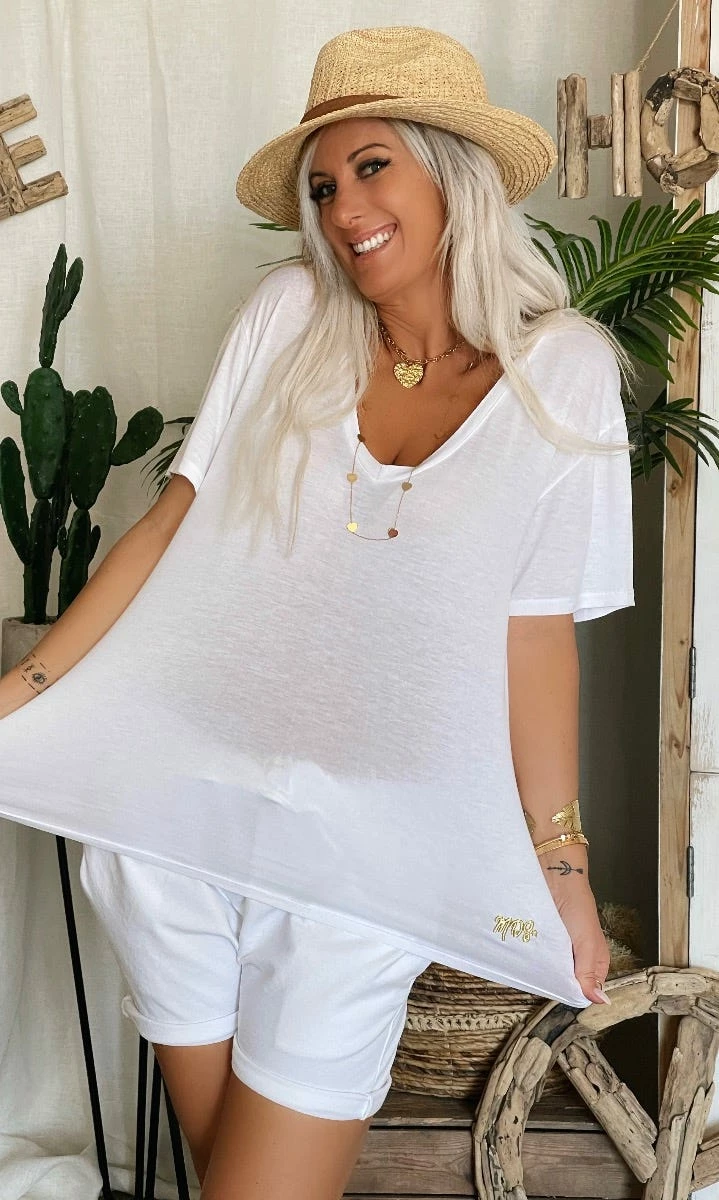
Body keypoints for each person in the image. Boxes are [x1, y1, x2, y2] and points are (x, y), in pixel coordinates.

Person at [0, 25, 636, 1200]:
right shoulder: (289, 315)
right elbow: (170, 526)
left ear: (450, 173)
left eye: (371, 166)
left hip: (367, 857)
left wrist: (560, 861)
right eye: (324, 185)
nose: (344, 208)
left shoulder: (563, 375)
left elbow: (534, 631)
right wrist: (20, 695)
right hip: (180, 816)